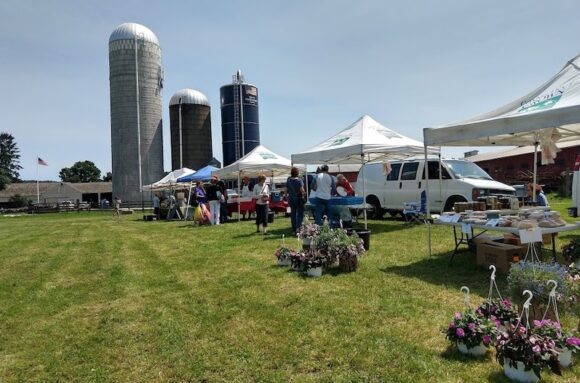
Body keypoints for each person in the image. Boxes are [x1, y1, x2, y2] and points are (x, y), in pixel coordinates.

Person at [286, 166, 305, 234]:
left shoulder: (288, 180)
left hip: (291, 198)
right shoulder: (299, 180)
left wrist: (286, 196)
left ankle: (294, 229)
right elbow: (302, 190)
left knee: (293, 214)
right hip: (298, 199)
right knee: (299, 214)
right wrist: (304, 193)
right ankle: (298, 228)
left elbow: (286, 190)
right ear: (297, 173)